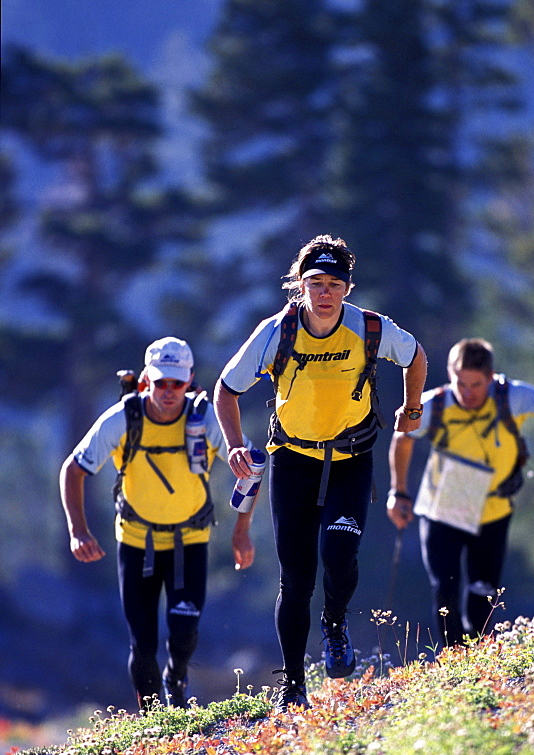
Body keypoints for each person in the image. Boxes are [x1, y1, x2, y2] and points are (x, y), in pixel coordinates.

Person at [214, 235, 427, 710]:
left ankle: (335, 625)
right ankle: (293, 689)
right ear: (300, 286)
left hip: (352, 457)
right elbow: (226, 390)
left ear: (348, 288)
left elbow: (416, 357)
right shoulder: (276, 331)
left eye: (334, 283)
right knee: (296, 578)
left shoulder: (369, 327)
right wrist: (232, 447)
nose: (325, 293)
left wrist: (412, 409)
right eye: (315, 283)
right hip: (293, 460)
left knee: (339, 551)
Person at [60, 337, 255, 711]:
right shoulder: (123, 418)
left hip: (190, 542)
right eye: (161, 382)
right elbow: (73, 469)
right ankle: (153, 722)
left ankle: (176, 678)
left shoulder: (205, 418)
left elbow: (251, 469)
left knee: (184, 631)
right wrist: (78, 531)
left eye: (177, 383)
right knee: (143, 643)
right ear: (146, 380)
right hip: (135, 543)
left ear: (190, 381)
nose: (169, 392)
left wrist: (241, 531)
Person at [387, 338, 534, 647]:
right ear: (450, 374)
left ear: (492, 376)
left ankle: (476, 658)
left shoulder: (513, 396)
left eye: (476, 385)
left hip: (492, 512)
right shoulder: (435, 403)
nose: (468, 393)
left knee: (483, 594)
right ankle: (452, 662)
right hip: (443, 510)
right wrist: (398, 492)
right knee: (445, 589)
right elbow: (403, 437)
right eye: (461, 383)